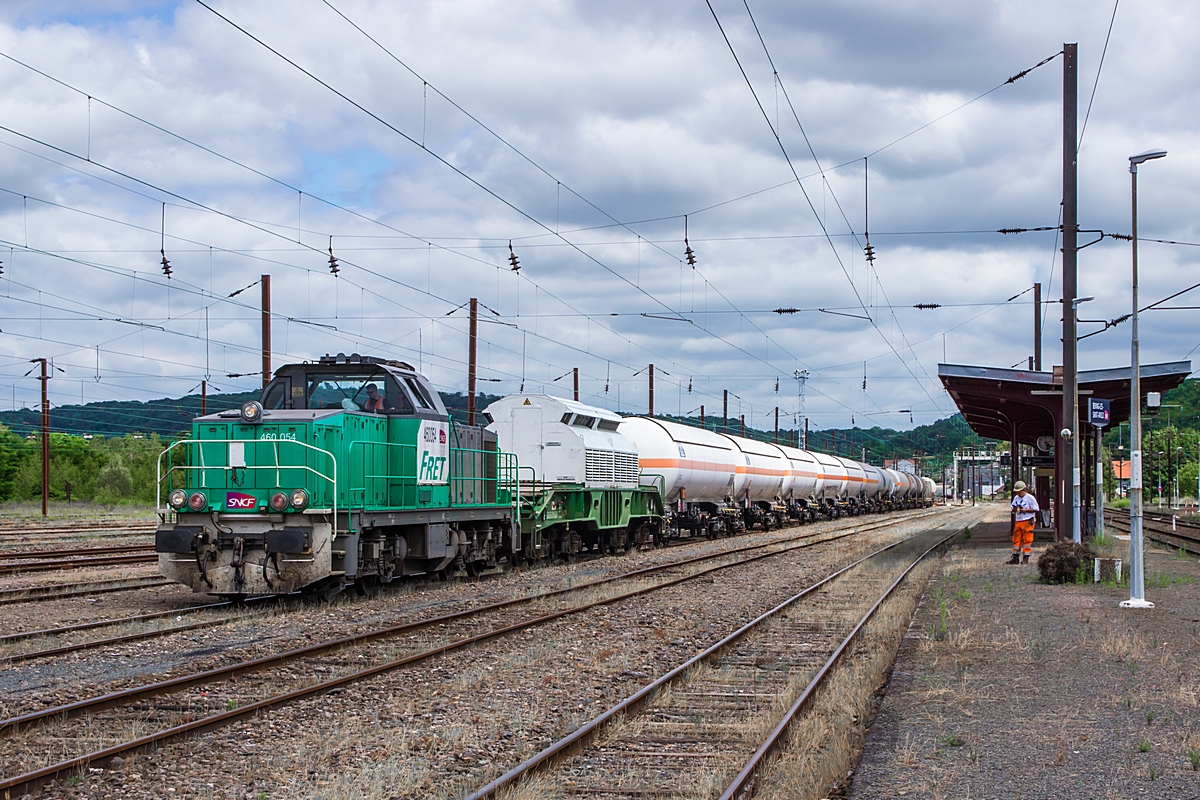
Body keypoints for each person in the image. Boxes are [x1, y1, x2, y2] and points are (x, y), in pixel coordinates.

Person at [1009, 480, 1039, 564]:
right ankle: (1015, 557)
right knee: (1016, 539)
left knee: (1027, 540)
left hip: (1027, 521)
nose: (1018, 493)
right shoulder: (1016, 498)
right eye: (1017, 492)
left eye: (1019, 491)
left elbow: (1036, 509)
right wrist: (1015, 509)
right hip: (1018, 521)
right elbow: (1012, 508)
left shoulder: (1030, 498)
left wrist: (1026, 510)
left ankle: (1026, 558)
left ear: (1024, 490)